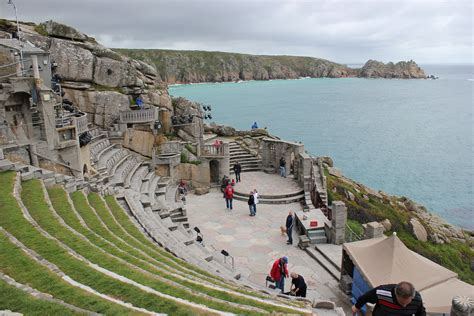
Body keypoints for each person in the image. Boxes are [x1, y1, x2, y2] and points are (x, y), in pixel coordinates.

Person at [352, 281, 426, 316]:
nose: (404, 306)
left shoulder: (417, 299)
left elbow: (421, 313)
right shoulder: (382, 292)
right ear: (396, 294)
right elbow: (365, 297)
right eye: (402, 303)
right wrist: (357, 306)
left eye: (407, 303)